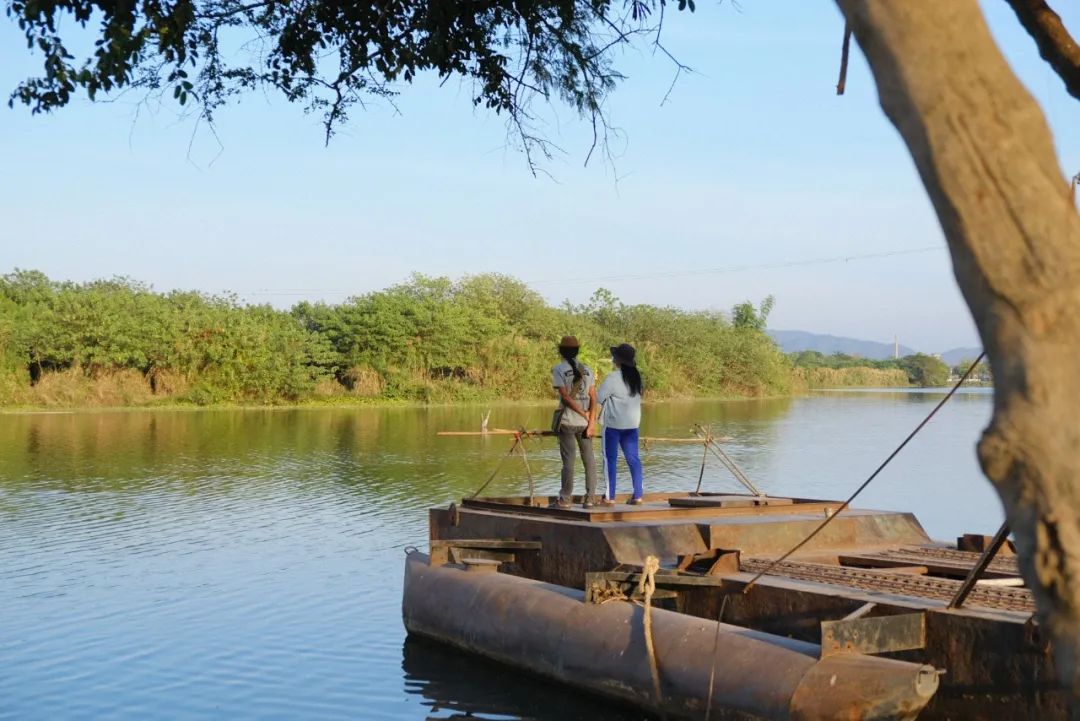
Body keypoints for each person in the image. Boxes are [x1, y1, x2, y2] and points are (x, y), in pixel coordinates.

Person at [551, 335, 598, 509]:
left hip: (568, 422)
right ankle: (590, 498)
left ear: (561, 351)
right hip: (586, 424)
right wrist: (591, 421)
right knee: (589, 460)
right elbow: (594, 397)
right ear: (577, 351)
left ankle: (565, 499)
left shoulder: (558, 369)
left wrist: (583, 415)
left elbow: (565, 397)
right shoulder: (587, 370)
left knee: (568, 461)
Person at [597, 343, 644, 505]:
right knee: (633, 459)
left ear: (618, 360)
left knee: (610, 460)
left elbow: (599, 398)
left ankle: (609, 497)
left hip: (613, 426)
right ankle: (638, 495)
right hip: (632, 425)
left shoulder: (612, 378)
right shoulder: (637, 377)